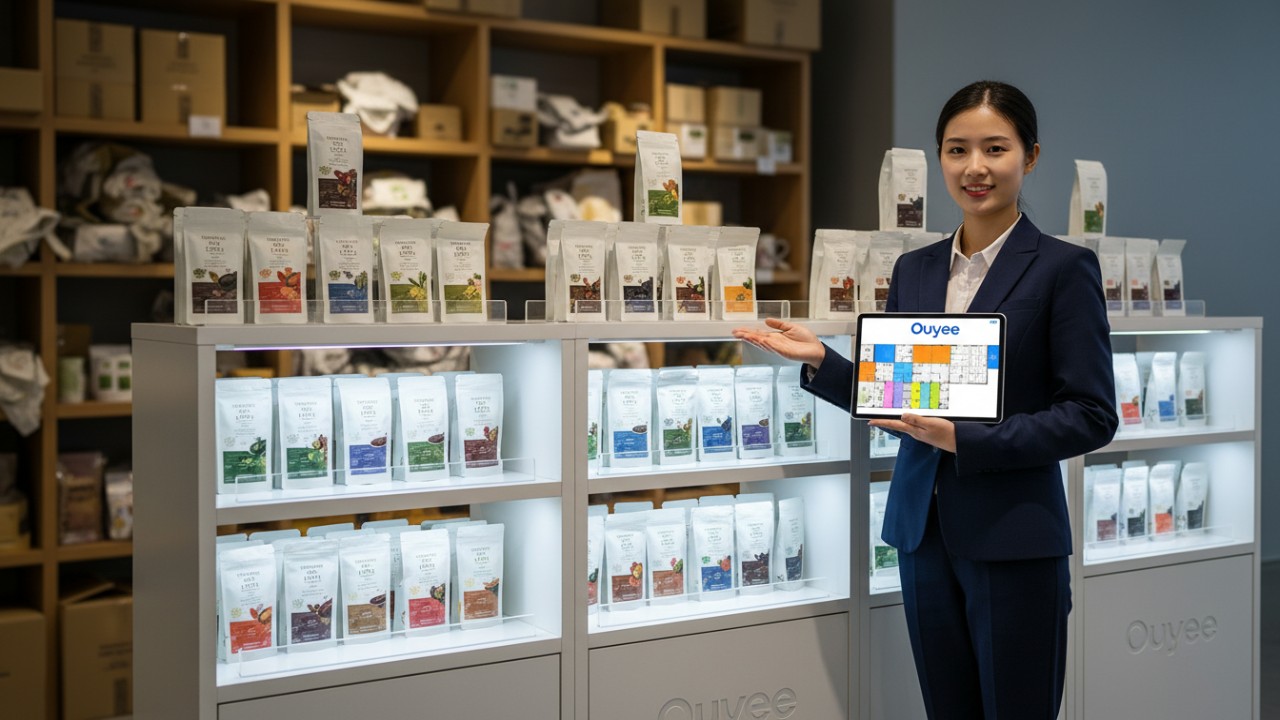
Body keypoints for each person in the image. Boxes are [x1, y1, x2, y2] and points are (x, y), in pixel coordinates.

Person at [735, 80, 1118, 719]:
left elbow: (1090, 414)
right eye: (956, 149)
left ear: (1030, 156)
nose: (975, 167)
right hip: (921, 531)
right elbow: (907, 397)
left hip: (1014, 535)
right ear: (939, 158)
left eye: (995, 148)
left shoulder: (1062, 268)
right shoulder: (915, 268)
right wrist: (826, 364)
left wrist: (963, 438)